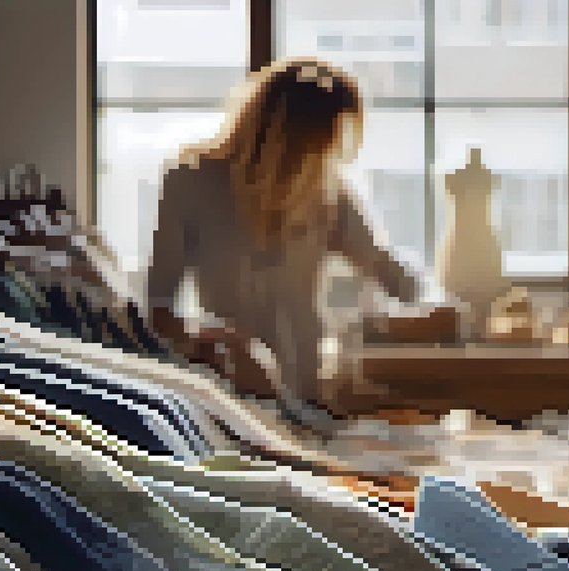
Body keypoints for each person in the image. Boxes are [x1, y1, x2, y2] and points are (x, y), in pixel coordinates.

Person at [145, 57, 420, 412]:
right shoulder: (189, 181)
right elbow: (157, 314)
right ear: (275, 136)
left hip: (313, 401)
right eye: (316, 146)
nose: (321, 161)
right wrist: (211, 339)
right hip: (234, 403)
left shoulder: (326, 190)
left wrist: (409, 308)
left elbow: (398, 281)